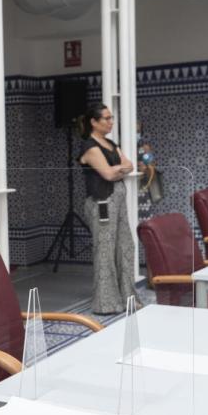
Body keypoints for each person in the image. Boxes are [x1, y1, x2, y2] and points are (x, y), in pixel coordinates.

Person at [78, 103, 140, 314]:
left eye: (111, 117)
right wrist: (117, 169)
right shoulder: (90, 147)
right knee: (105, 251)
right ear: (94, 122)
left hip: (119, 202)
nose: (111, 121)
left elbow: (129, 165)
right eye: (106, 118)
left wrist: (118, 168)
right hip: (102, 203)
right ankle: (106, 303)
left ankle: (127, 297)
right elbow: (108, 175)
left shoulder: (111, 144)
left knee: (125, 246)